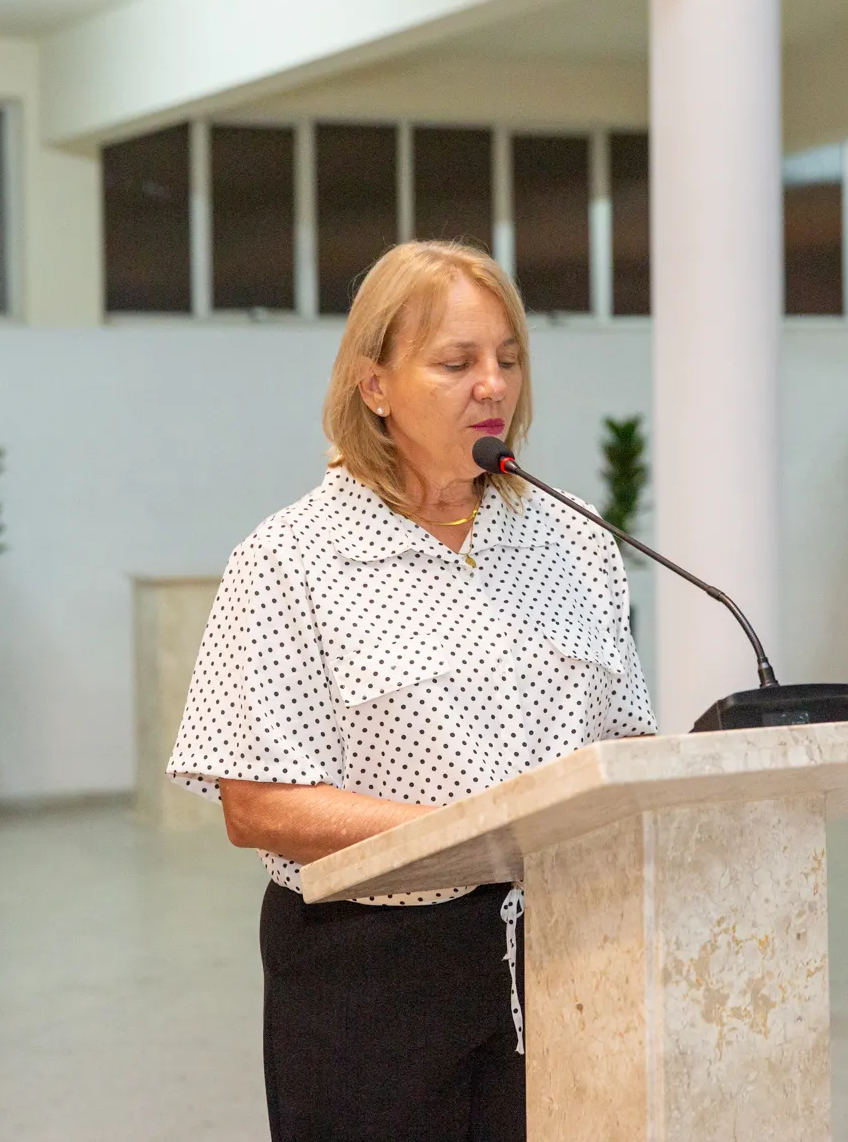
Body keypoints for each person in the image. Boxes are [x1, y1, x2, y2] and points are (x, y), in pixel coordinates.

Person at [167, 240, 656, 1142]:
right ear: (375, 385)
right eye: (456, 362)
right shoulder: (290, 560)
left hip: (570, 948)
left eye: (508, 358)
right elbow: (257, 803)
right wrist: (474, 831)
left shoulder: (576, 541)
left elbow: (625, 742)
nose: (492, 385)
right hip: (371, 975)